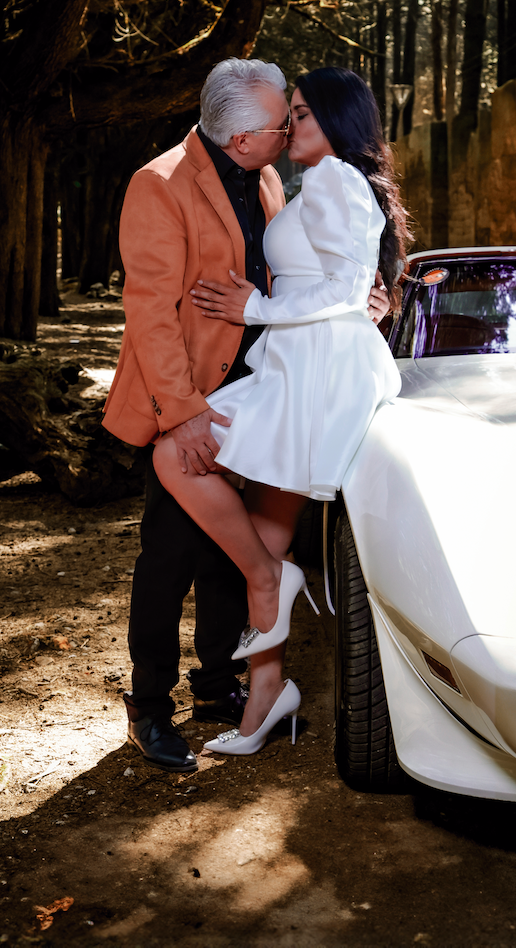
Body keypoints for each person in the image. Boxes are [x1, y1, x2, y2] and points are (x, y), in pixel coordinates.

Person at [103, 58, 389, 772]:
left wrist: (357, 304)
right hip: (189, 391)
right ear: (241, 138)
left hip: (271, 380)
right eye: (280, 123)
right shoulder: (158, 184)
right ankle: (150, 706)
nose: (288, 130)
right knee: (171, 551)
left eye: (295, 116)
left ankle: (216, 682)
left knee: (230, 552)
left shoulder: (268, 179)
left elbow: (309, 270)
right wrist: (182, 414)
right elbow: (151, 315)